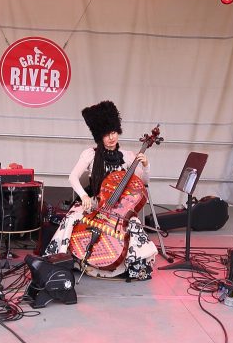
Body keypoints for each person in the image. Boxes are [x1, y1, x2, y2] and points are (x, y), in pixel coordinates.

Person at [43, 100, 157, 280]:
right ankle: (62, 260)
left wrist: (146, 165)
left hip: (120, 211)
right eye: (106, 134)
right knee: (71, 218)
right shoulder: (90, 154)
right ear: (99, 137)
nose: (111, 138)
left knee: (134, 226)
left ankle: (133, 266)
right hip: (96, 204)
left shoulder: (128, 156)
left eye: (113, 132)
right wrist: (83, 196)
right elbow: (72, 177)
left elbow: (144, 182)